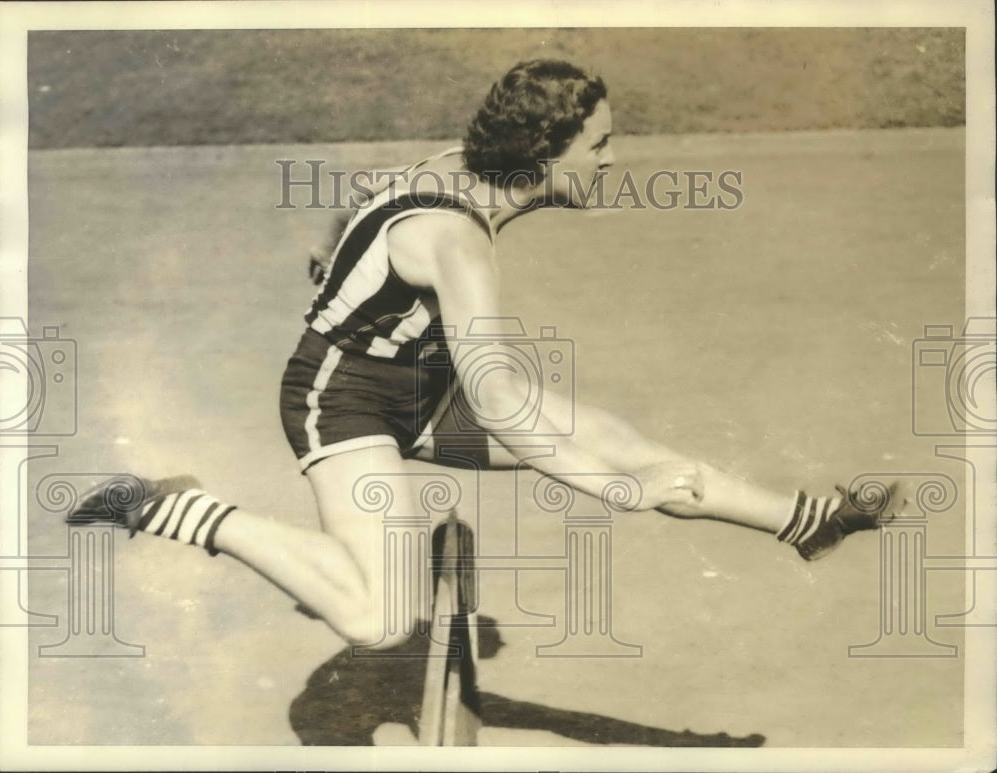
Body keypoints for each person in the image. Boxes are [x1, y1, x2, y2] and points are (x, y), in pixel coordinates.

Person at [69, 60, 899, 652]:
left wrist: (331, 258)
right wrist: (612, 489)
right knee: (378, 622)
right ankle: (171, 505)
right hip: (343, 399)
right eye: (598, 146)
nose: (613, 162)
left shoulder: (459, 170)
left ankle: (807, 521)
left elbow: (364, 191)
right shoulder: (458, 241)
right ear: (544, 153)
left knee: (639, 451)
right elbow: (499, 400)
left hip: (422, 382)